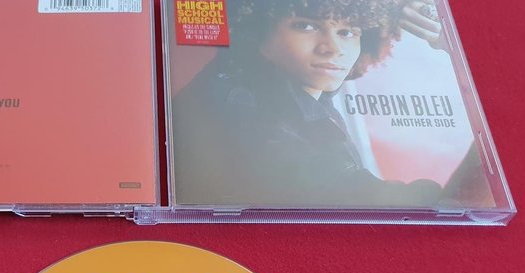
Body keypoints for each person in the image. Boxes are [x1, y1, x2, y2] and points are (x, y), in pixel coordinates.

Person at [170, 0, 486, 207]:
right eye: (306, 26)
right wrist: (464, 54)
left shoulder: (272, 84)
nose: (333, 48)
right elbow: (446, 208)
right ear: (257, 30)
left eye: (347, 32)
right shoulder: (253, 122)